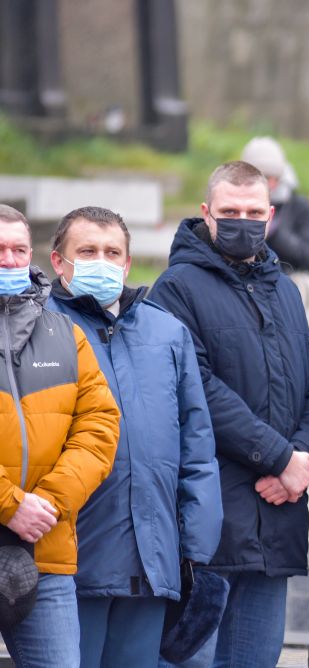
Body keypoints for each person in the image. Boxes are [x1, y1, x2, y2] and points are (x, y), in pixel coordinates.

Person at [150, 161, 309, 668]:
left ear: (271, 216)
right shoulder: (176, 289)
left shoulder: (287, 291)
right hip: (211, 527)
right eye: (230, 211)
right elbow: (198, 388)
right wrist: (278, 457)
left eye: (254, 212)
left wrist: (304, 460)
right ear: (206, 213)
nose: (243, 221)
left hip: (276, 521)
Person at [46, 206, 223, 668]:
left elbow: (197, 445)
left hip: (152, 562)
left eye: (111, 252)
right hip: (71, 562)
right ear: (57, 261)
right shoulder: (39, 329)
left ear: (127, 264)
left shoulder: (166, 332)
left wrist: (196, 547)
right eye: (87, 251)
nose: (100, 261)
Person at [0, 204, 120, 667]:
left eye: (18, 249)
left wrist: (46, 504)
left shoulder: (65, 334)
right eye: (0, 250)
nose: (10, 260)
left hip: (44, 554)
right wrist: (10, 504)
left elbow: (99, 427)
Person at [241, 136, 309, 338]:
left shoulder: (298, 206)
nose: (270, 184)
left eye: (274, 177)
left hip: (289, 286)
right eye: (262, 177)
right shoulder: (237, 206)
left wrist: (275, 233)